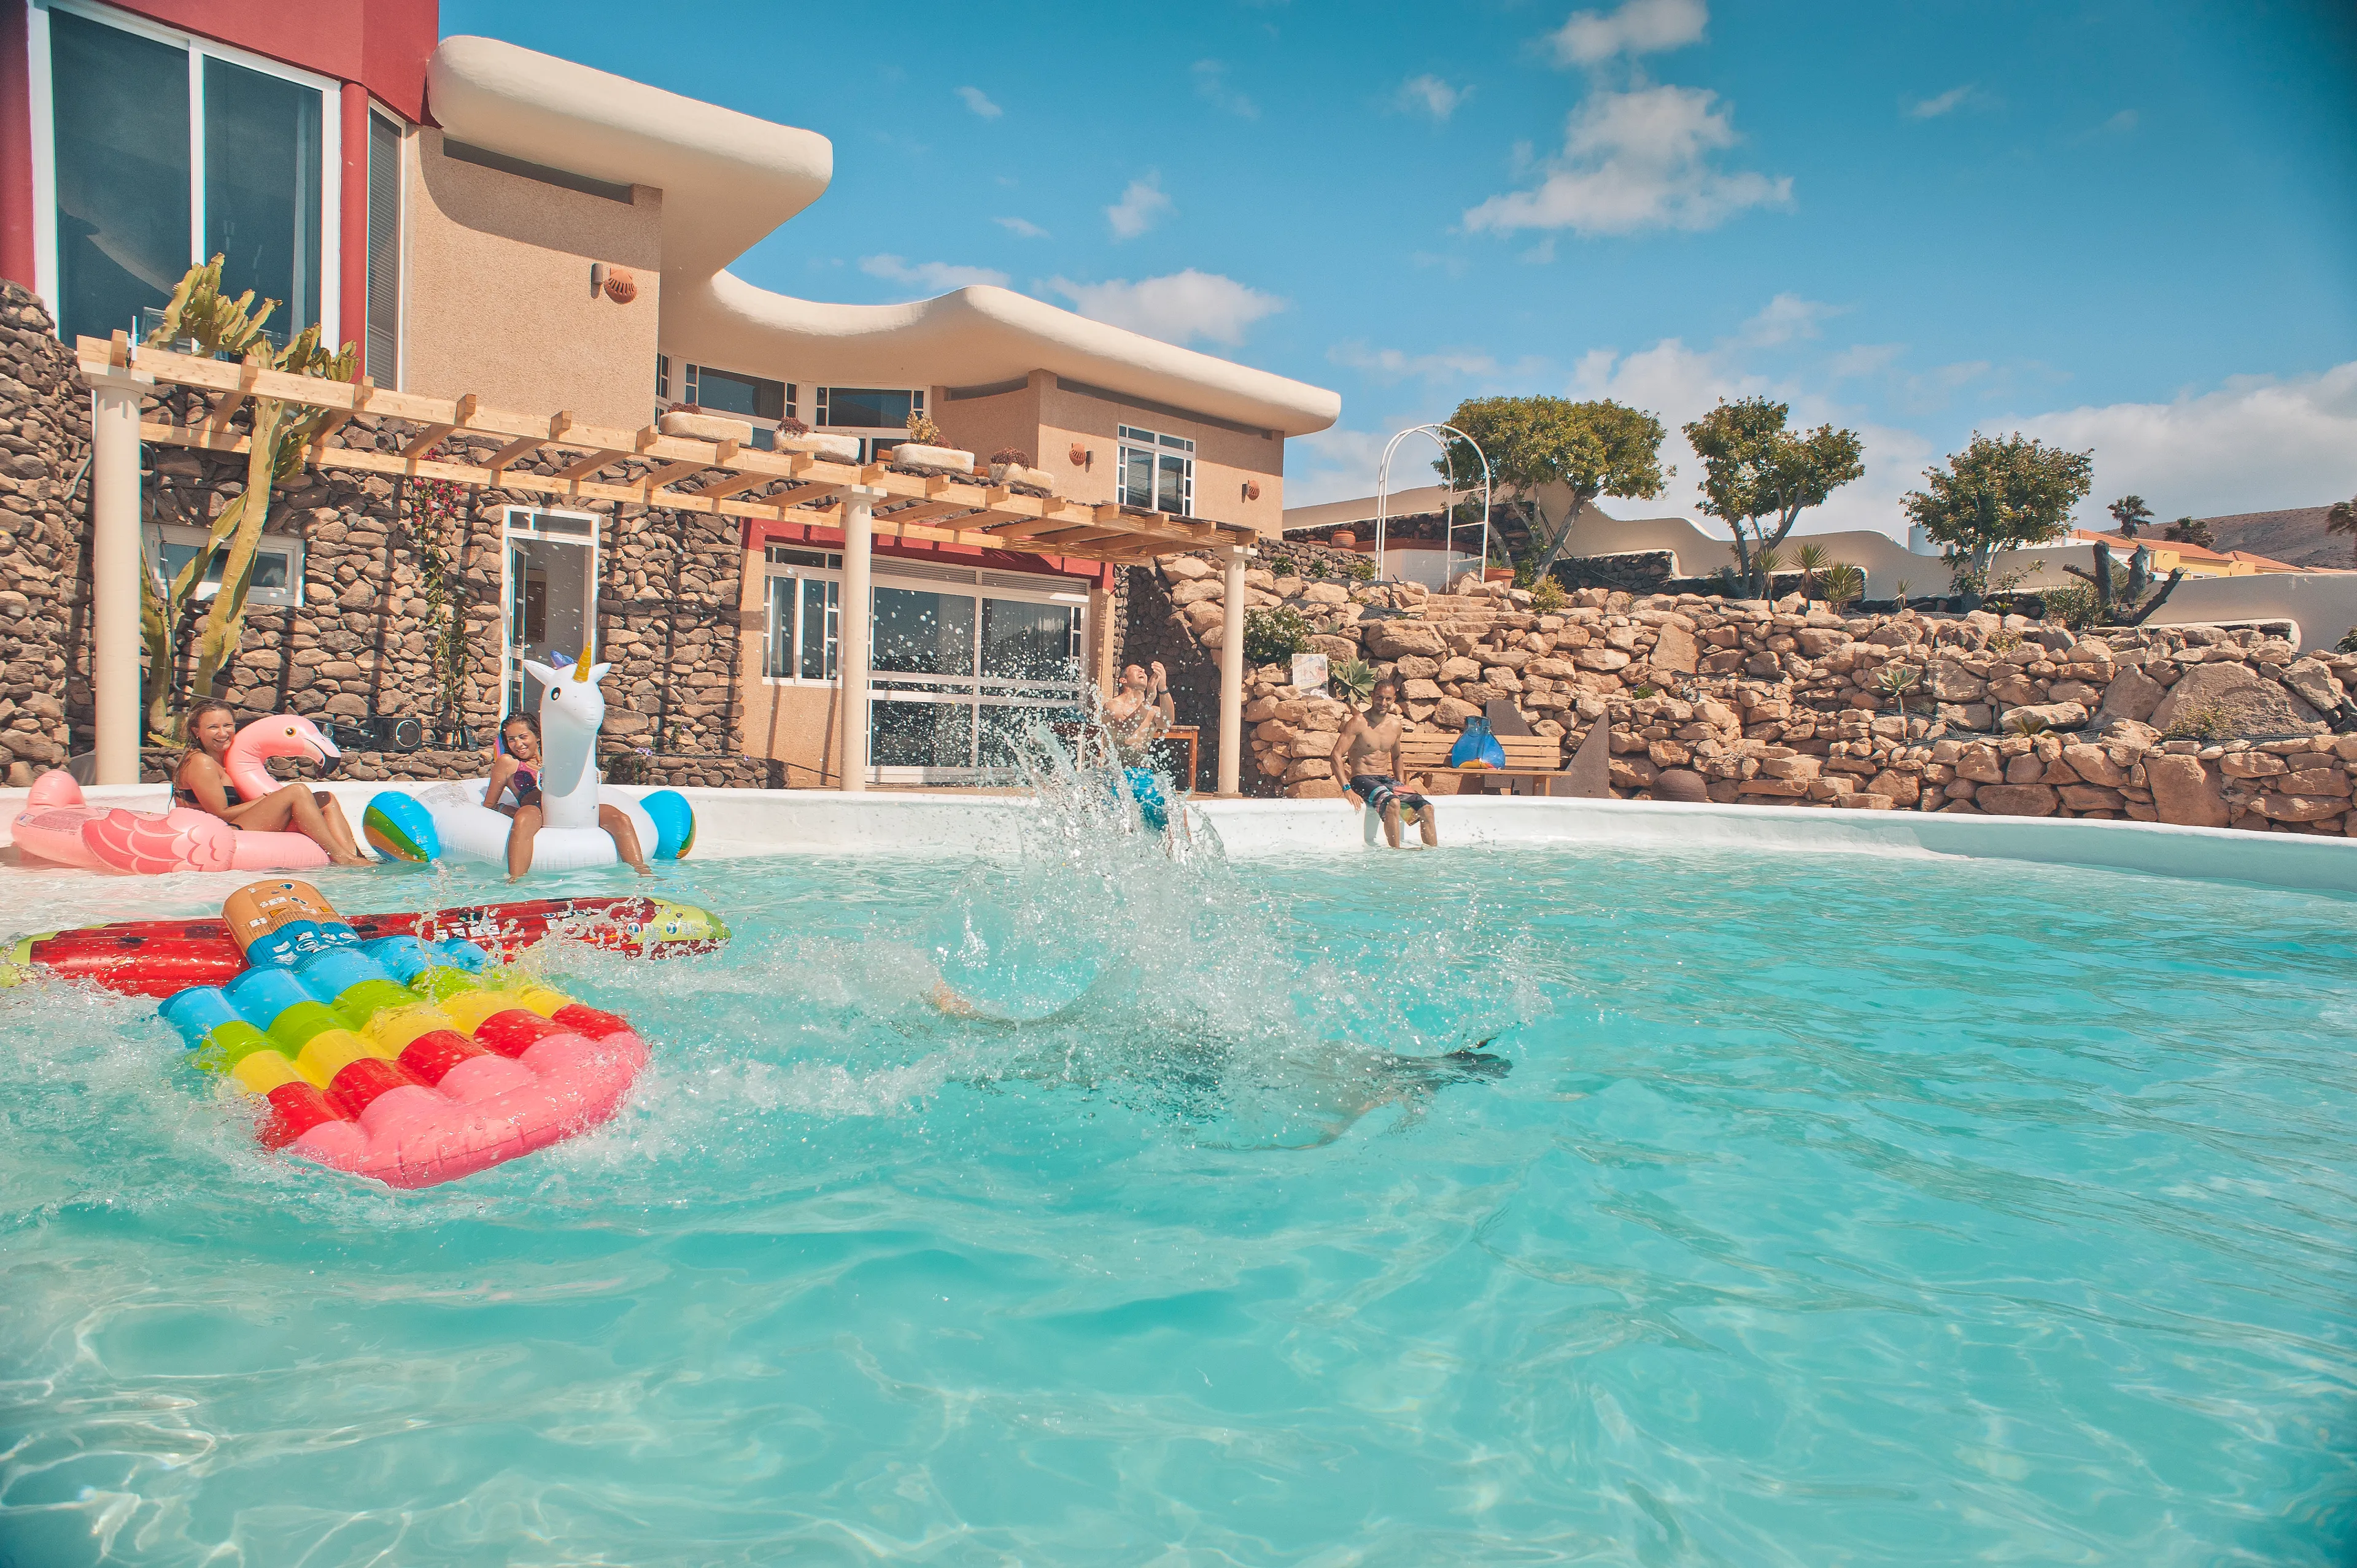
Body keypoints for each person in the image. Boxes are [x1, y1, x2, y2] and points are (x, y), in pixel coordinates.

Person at [172, 700, 373, 865]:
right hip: (218, 830)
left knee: (325, 799)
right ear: (196, 731)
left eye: (228, 726)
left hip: (235, 822)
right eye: (213, 728)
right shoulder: (201, 762)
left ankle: (353, 856)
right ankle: (340, 856)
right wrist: (268, 799)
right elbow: (219, 813)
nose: (223, 733)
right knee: (297, 791)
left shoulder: (224, 759)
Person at [488, 711, 652, 880]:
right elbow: (489, 804)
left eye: (523, 737)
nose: (518, 744)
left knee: (620, 818)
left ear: (537, 735)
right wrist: (507, 810)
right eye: (511, 739)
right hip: (538, 809)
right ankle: (516, 881)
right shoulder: (508, 762)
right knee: (523, 818)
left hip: (571, 804)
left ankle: (643, 873)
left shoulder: (555, 756)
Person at [1330, 679, 1439, 849]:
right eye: (1379, 698)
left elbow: (1397, 757)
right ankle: (1396, 854)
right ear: (1372, 696)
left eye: (1388, 699)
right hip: (1361, 779)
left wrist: (1401, 783)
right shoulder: (1359, 722)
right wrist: (1346, 788)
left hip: (1385, 780)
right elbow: (1336, 755)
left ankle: (1433, 856)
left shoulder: (1395, 726)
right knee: (1393, 803)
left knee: (1427, 808)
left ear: (1394, 699)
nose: (1383, 703)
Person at [1101, 661, 1175, 832]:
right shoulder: (1113, 705)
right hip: (1115, 774)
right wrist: (1149, 698)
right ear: (1123, 681)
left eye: (1143, 670)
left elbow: (1167, 722)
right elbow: (1125, 728)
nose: (1143, 671)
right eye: (1136, 671)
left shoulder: (1152, 710)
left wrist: (1163, 688)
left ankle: (1175, 855)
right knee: (1117, 826)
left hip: (1142, 774)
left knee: (1170, 813)